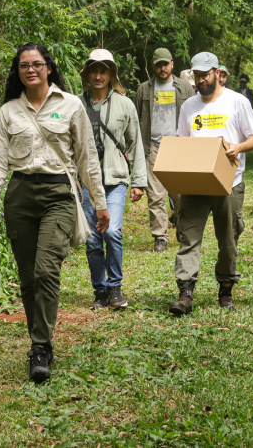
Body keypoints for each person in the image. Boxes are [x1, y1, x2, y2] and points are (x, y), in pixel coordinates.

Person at [0, 42, 110, 383]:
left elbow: (86, 158)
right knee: (27, 276)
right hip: (20, 193)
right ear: (18, 72)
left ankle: (40, 346)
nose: (31, 70)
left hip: (59, 194)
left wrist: (100, 203)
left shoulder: (71, 105)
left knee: (46, 269)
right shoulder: (9, 111)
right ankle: (41, 343)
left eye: (37, 64)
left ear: (49, 68)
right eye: (24, 66)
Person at [170, 51, 253, 315]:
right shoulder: (189, 106)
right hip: (196, 184)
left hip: (229, 182)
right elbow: (183, 143)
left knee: (228, 239)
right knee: (188, 236)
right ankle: (185, 292)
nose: (200, 80)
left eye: (204, 75)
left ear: (217, 74)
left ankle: (225, 287)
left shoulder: (237, 102)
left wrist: (239, 147)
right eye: (196, 75)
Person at [79, 49, 148, 311]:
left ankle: (115, 287)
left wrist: (139, 181)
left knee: (111, 231)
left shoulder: (125, 104)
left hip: (116, 179)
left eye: (104, 71)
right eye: (94, 70)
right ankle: (100, 291)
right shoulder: (76, 104)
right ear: (87, 74)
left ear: (111, 74)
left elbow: (136, 143)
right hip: (85, 182)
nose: (98, 76)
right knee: (93, 239)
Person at [134, 48, 195, 252]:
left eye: (165, 64)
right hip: (153, 147)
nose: (162, 68)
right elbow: (138, 120)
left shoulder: (185, 87)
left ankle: (179, 222)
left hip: (178, 147)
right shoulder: (144, 89)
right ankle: (160, 236)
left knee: (180, 195)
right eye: (158, 64)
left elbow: (194, 117)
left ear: (172, 64)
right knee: (156, 196)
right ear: (153, 66)